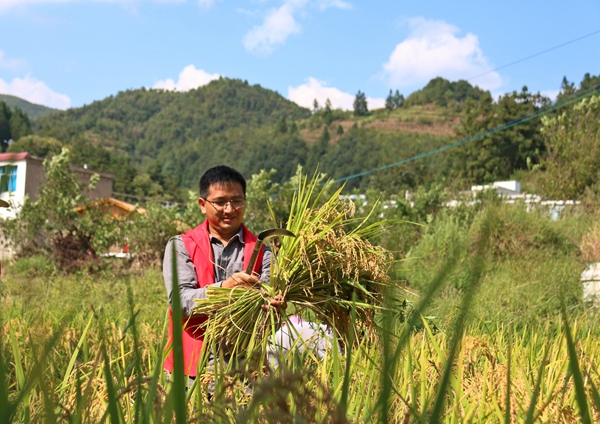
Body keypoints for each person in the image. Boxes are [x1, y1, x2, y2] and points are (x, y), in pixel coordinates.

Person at [162, 165, 283, 384]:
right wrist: (225, 289)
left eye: (237, 201)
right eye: (220, 202)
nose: (229, 209)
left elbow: (267, 308)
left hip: (246, 369)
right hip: (190, 369)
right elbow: (179, 302)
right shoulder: (181, 246)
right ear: (202, 205)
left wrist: (275, 309)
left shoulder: (263, 251)